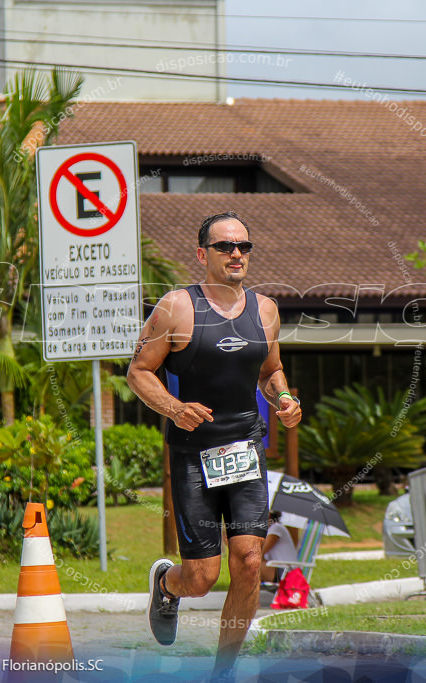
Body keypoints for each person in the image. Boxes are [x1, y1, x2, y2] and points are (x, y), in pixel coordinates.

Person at [127, 210, 302, 680]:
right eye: (225, 247)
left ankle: (223, 671)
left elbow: (270, 371)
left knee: (249, 561)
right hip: (191, 453)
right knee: (201, 579)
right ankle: (166, 584)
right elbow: (138, 371)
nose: (237, 254)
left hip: (244, 448)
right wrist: (173, 408)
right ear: (203, 253)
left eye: (244, 246)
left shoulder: (265, 309)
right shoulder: (176, 307)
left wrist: (284, 398)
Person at [260, 511, 297, 584]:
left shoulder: (276, 528)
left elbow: (260, 551)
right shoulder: (269, 530)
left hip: (287, 572)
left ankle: (251, 593)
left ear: (268, 515)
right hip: (278, 569)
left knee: (250, 565)